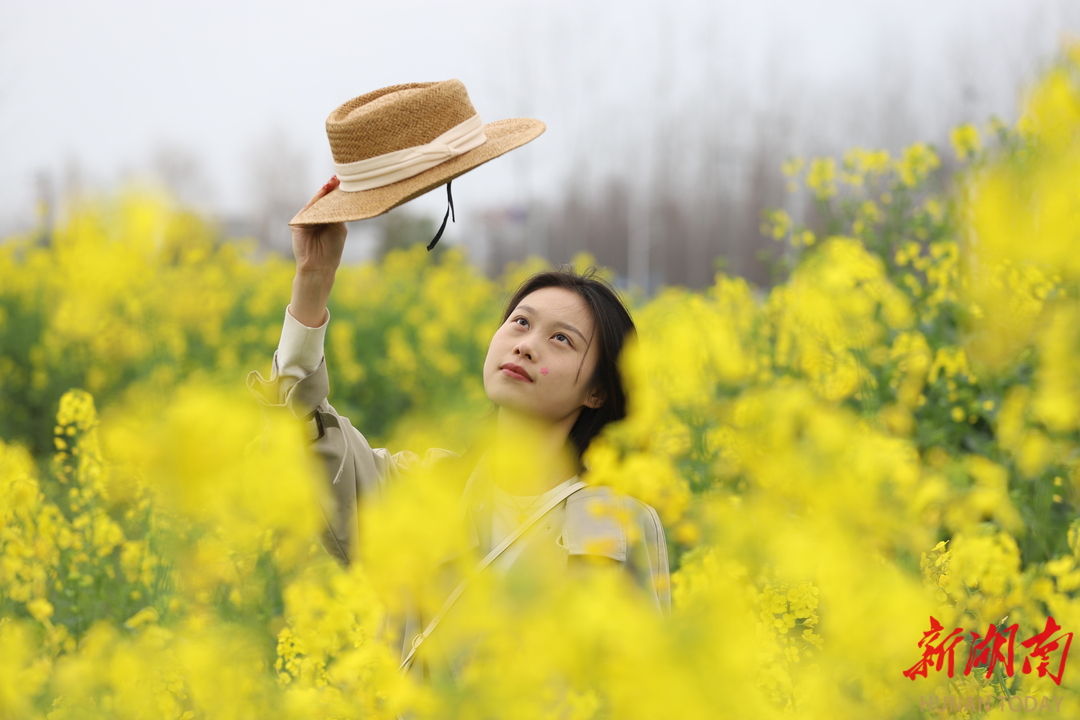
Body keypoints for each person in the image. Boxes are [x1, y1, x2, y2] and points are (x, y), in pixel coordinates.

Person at [245, 80, 670, 692]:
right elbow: (298, 448)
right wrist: (312, 281)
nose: (525, 342)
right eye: (519, 323)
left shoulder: (621, 522)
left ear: (598, 392)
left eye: (561, 340)